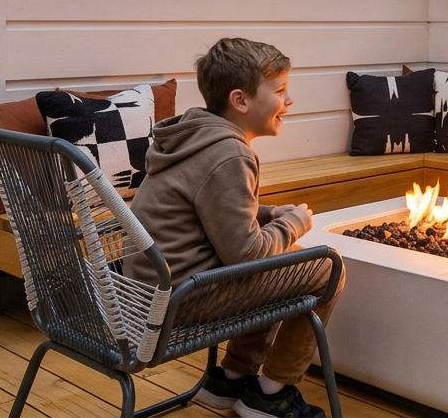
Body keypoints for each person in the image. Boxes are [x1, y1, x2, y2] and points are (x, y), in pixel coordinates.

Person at [125, 38, 343, 418]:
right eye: (279, 90)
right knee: (326, 268)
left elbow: (206, 211)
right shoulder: (230, 153)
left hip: (153, 290)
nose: (289, 100)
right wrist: (293, 223)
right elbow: (247, 254)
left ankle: (230, 379)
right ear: (240, 101)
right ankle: (272, 395)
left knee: (283, 261)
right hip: (180, 299)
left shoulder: (194, 136)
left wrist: (267, 213)